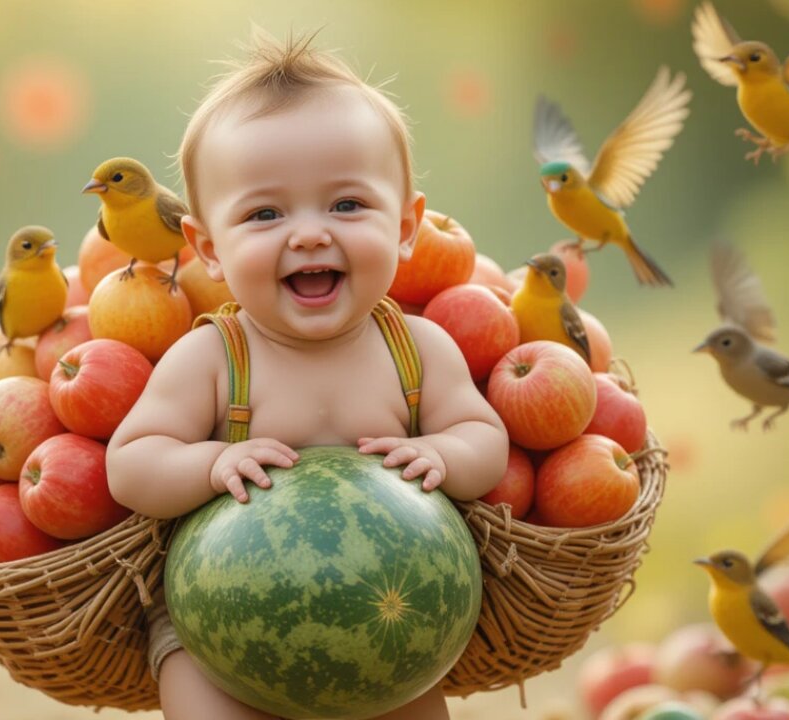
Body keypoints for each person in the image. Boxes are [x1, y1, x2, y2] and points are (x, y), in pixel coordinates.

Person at [106, 31, 509, 720]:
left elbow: (485, 437)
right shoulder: (213, 359)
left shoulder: (416, 349)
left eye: (347, 205)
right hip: (222, 632)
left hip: (391, 624)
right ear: (208, 249)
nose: (310, 234)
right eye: (265, 214)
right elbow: (132, 464)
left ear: (408, 226)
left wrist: (443, 452)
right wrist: (213, 462)